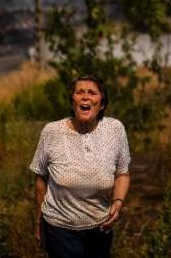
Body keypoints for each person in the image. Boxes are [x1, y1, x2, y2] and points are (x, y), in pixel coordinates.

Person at [30, 75, 131, 258]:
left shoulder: (115, 129)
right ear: (72, 102)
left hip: (101, 226)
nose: (85, 97)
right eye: (79, 92)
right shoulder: (52, 131)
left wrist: (118, 201)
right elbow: (40, 177)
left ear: (101, 104)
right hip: (59, 227)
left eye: (92, 92)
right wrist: (38, 223)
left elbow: (122, 173)